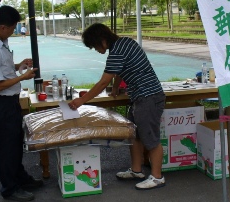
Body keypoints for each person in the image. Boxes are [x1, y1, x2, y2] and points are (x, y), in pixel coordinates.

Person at [68, 23, 166, 190]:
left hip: (148, 97)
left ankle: (157, 177)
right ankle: (136, 171)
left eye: (94, 46)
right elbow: (119, 72)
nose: (96, 50)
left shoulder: (117, 51)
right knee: (134, 135)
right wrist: (115, 88)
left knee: (150, 138)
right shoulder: (125, 43)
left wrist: (81, 101)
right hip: (141, 97)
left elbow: (103, 81)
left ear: (102, 40)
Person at [0, 5, 43, 202]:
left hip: (10, 102)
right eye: (14, 27)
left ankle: (20, 179)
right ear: (3, 26)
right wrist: (22, 76)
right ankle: (10, 188)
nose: (15, 31)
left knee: (15, 144)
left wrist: (19, 66)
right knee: (7, 149)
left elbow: (4, 69)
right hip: (3, 103)